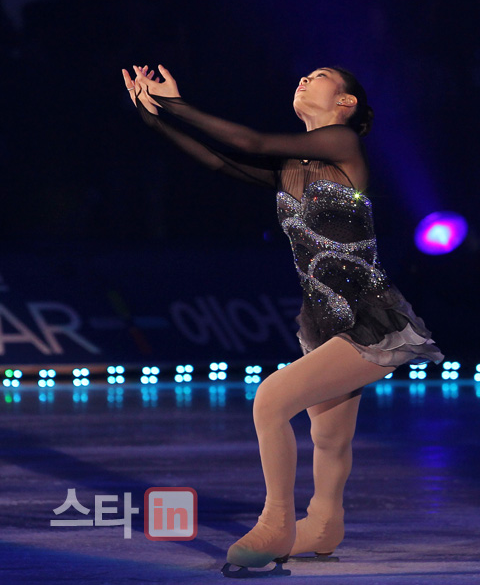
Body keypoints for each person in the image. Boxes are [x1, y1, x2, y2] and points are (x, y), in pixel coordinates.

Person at [122, 63, 443, 576]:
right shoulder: (294, 165)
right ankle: (323, 525)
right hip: (322, 319)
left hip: (366, 318)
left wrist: (178, 104)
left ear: (346, 103)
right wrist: (156, 118)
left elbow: (247, 139)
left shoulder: (341, 143)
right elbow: (220, 162)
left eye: (319, 76)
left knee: (271, 399)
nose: (303, 79)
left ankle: (276, 524)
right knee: (329, 438)